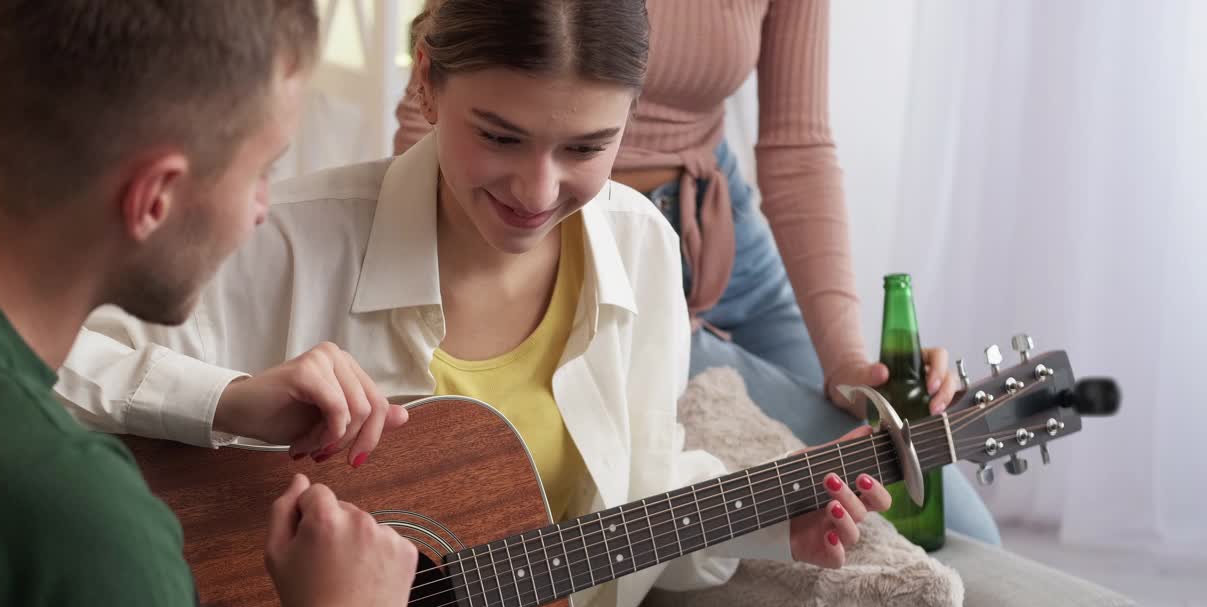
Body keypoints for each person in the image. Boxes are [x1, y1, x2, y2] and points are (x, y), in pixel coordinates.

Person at [55, 2, 896, 607]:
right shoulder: (284, 239)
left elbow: (632, 501)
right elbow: (39, 363)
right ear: (426, 80)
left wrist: (767, 525)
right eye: (500, 136)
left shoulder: (643, 252)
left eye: (584, 148)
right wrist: (230, 398)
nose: (536, 192)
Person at [0, 3, 417, 607]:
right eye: (263, 171)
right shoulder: (75, 520)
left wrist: (222, 399)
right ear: (155, 197)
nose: (261, 209)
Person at [394, 0, 1002, 546]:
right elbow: (447, 98)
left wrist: (846, 365)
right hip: (581, 250)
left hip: (726, 235)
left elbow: (798, 145)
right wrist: (437, 294)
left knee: (963, 525)